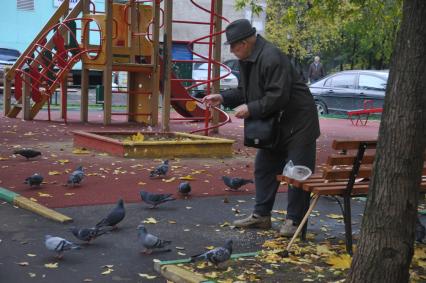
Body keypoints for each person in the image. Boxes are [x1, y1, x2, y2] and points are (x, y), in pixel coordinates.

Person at [203, 19, 320, 236]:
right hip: (276, 122)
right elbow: (246, 92)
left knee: (297, 173)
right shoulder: (250, 59)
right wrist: (223, 97)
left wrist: (251, 108)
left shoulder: (271, 57)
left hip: (299, 122)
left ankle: (294, 222)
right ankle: (261, 216)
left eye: (234, 45)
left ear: (246, 42)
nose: (232, 50)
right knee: (264, 167)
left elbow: (278, 96)